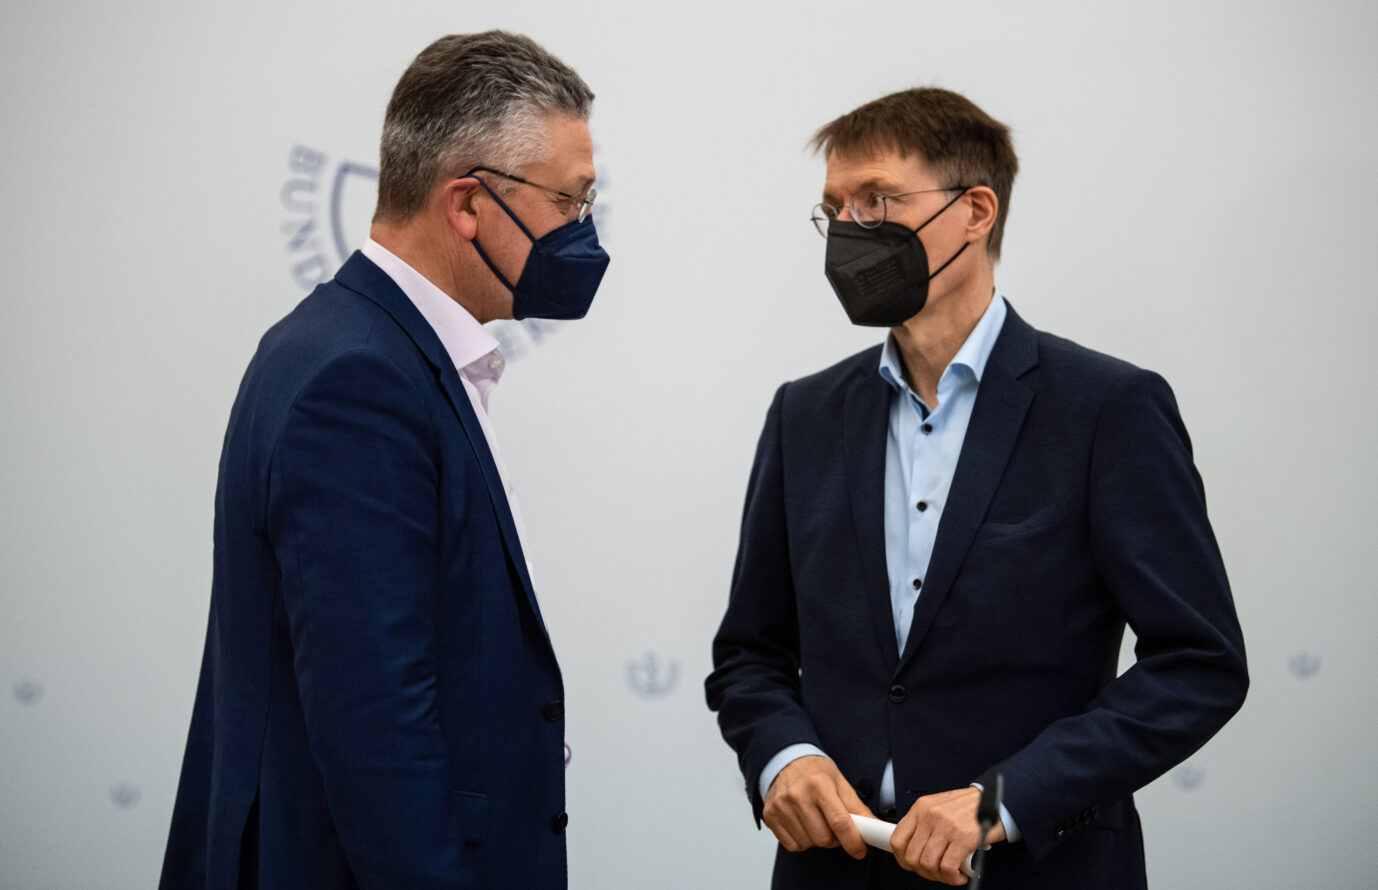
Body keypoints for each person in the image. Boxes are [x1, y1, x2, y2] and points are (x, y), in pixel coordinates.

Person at [705, 87, 1247, 889]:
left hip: (1039, 869)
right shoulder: (805, 414)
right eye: (833, 208)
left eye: (877, 199)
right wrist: (787, 756)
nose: (849, 230)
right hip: (833, 868)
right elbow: (750, 653)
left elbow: (1200, 663)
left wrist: (1006, 800)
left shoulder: (1106, 408)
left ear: (976, 211)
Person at [160, 31, 608, 889]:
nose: (583, 234)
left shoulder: (356, 346)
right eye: (571, 202)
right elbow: (378, 727)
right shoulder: (358, 379)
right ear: (469, 204)